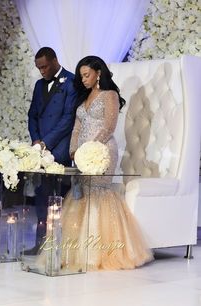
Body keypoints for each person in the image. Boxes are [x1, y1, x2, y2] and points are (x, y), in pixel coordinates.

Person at [41, 55, 153, 270]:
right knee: (81, 193)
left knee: (98, 192)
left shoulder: (109, 95)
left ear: (98, 73)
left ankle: (99, 252)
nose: (83, 79)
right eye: (81, 76)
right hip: (82, 155)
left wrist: (90, 149)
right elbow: (75, 127)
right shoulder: (83, 98)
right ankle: (77, 251)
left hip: (102, 152)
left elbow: (109, 127)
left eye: (86, 75)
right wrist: (74, 150)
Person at [26, 47, 78, 254]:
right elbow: (33, 115)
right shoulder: (39, 85)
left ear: (55, 60)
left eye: (45, 66)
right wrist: (36, 140)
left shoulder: (71, 81)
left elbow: (68, 119)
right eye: (39, 68)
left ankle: (61, 247)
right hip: (41, 148)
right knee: (41, 197)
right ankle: (40, 244)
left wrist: (46, 143)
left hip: (60, 148)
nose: (42, 72)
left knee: (60, 198)